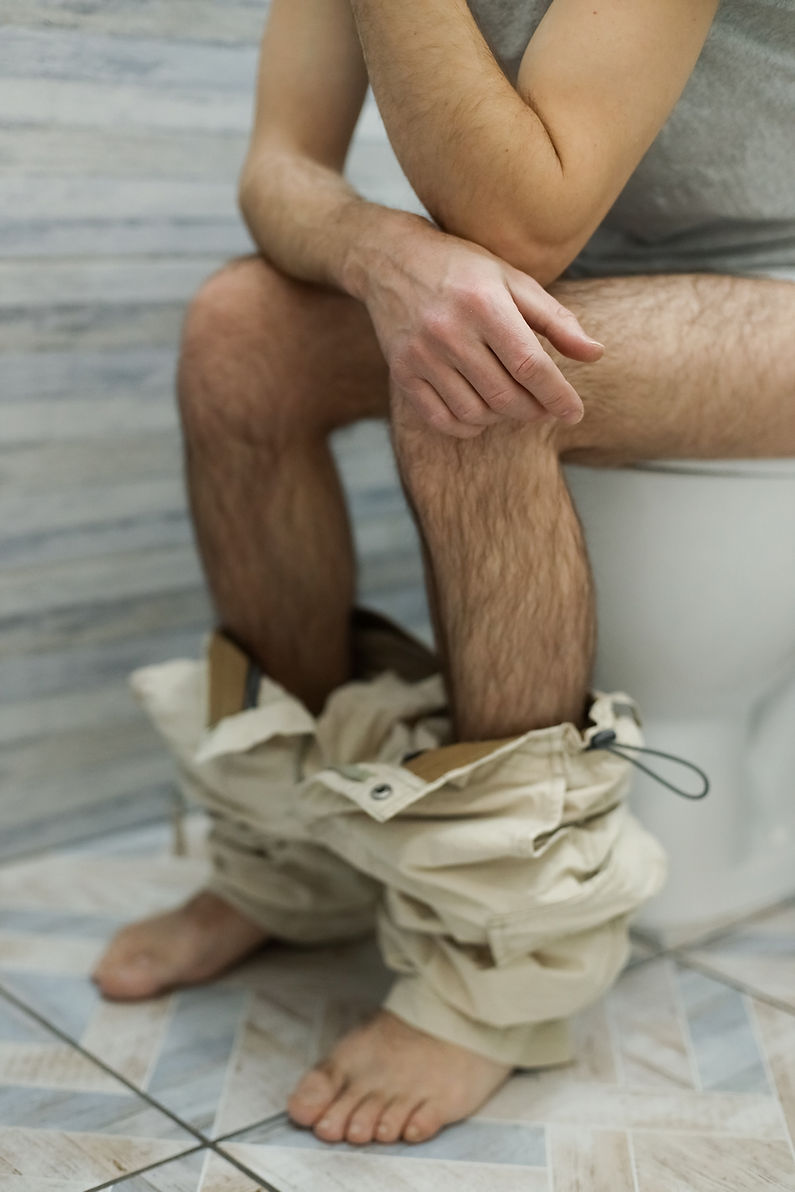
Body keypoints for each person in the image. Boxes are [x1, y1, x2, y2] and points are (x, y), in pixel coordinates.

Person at [93, 0, 795, 1147]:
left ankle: (502, 962)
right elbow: (279, 166)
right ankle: (291, 858)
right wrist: (384, 254)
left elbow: (523, 224)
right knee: (240, 332)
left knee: (479, 378)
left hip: (782, 297)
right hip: (601, 294)